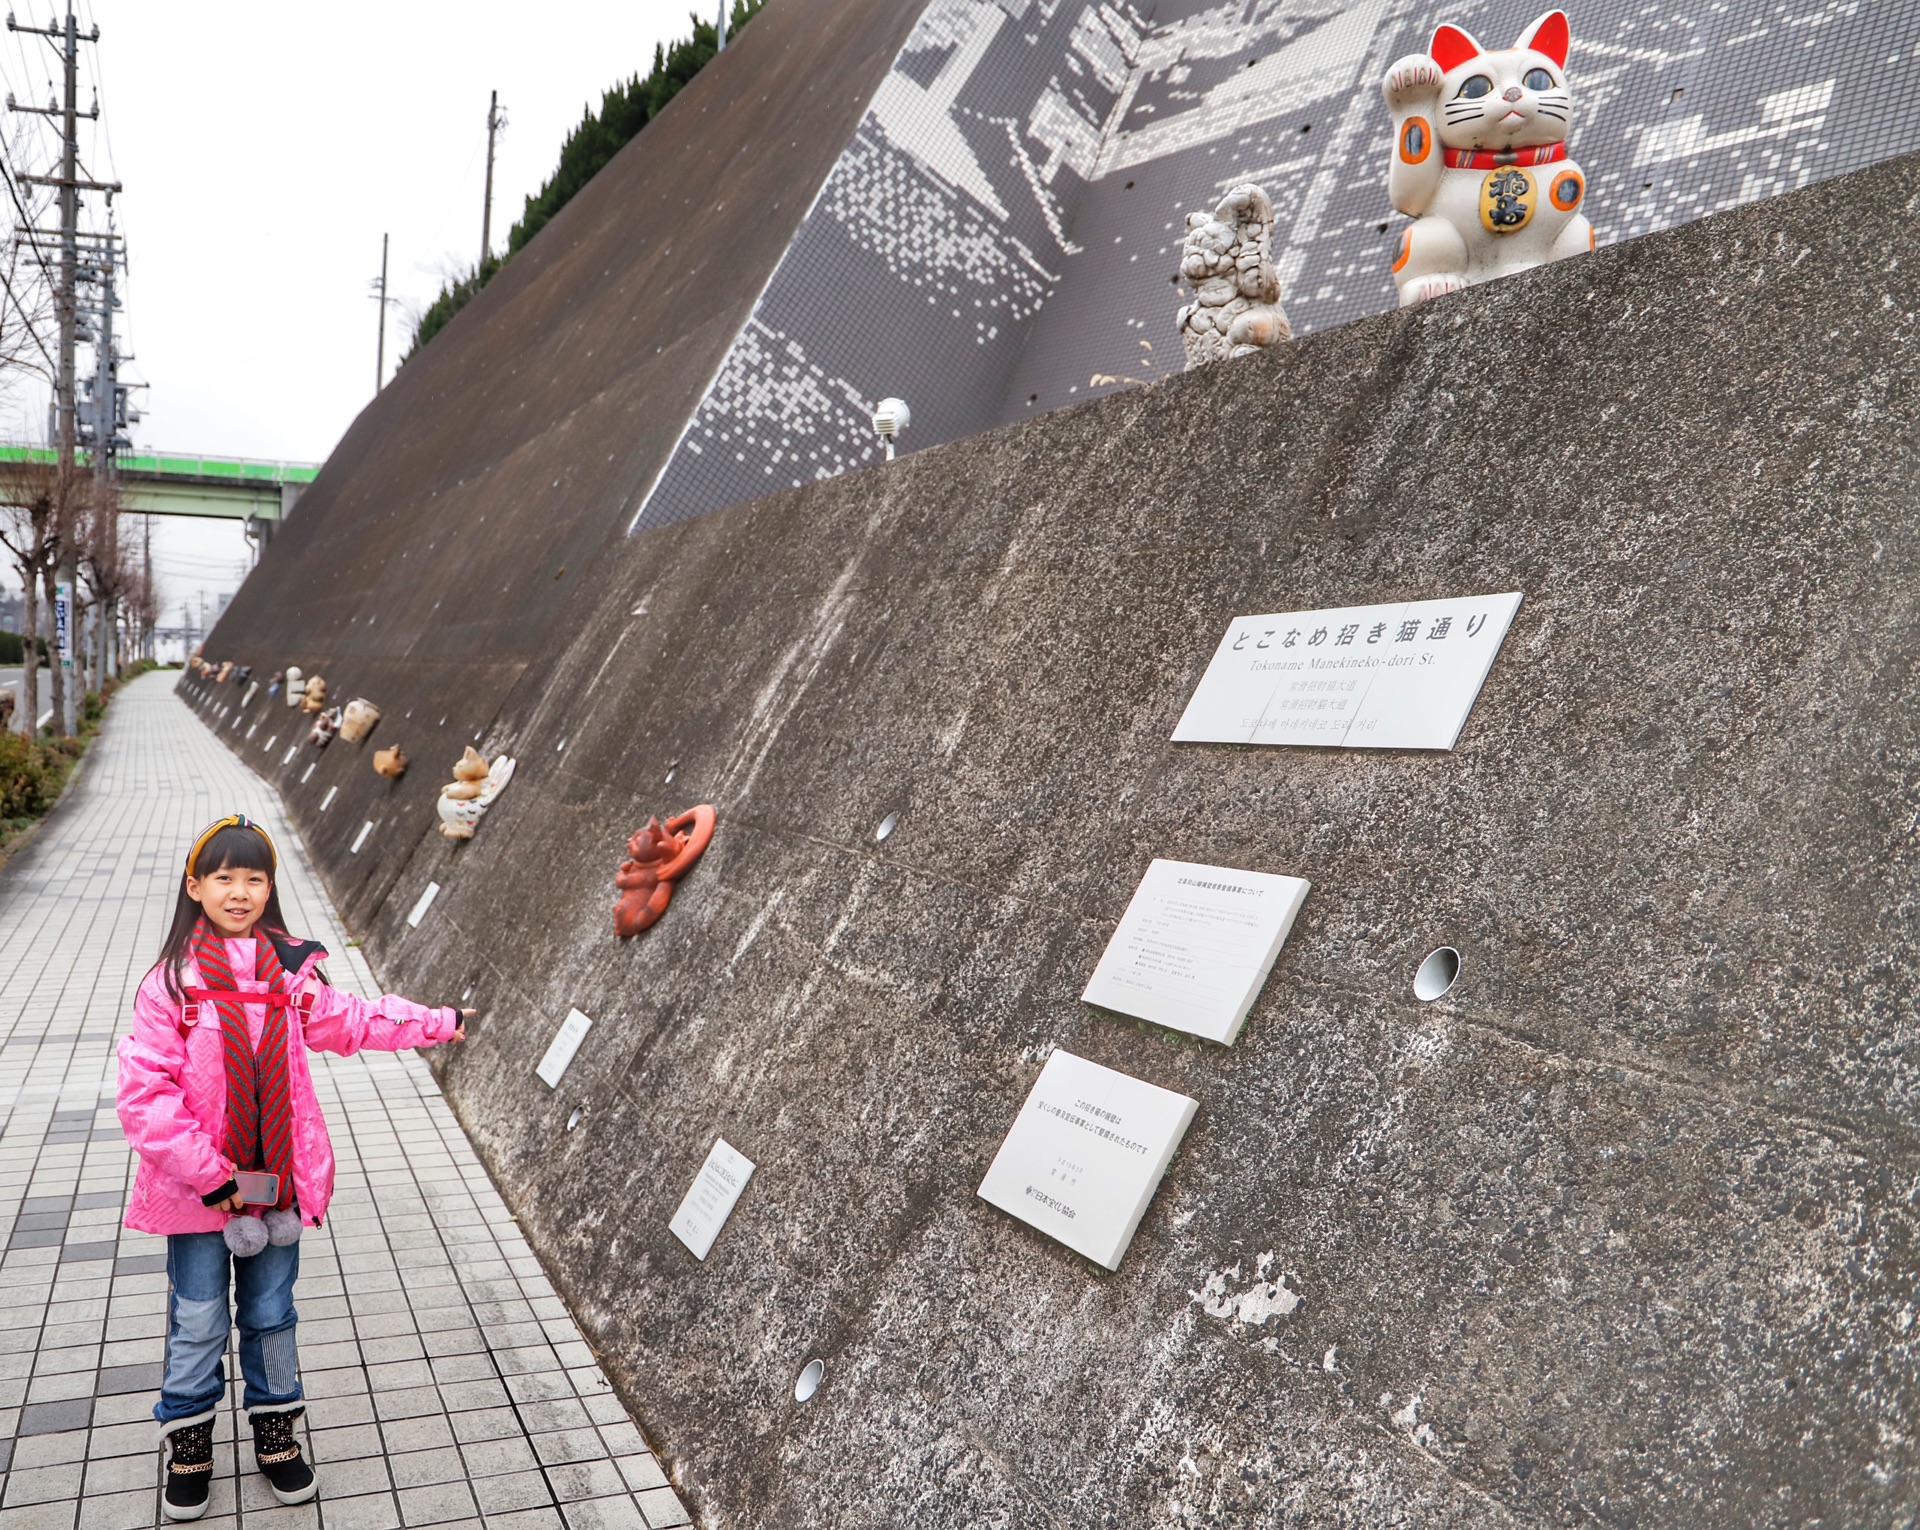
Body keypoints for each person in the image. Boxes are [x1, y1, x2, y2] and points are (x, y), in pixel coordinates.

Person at [116, 813, 472, 1521]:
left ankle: (276, 1433)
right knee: (198, 1318)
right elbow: (144, 1092)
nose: (240, 891)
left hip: (276, 1186)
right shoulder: (173, 985)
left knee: (272, 1314)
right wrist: (206, 1172)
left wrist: (435, 1022)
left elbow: (353, 1019)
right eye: (224, 877)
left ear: (270, 887)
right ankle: (188, 1440)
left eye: (254, 877)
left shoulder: (290, 974)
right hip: (200, 1194)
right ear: (196, 886)